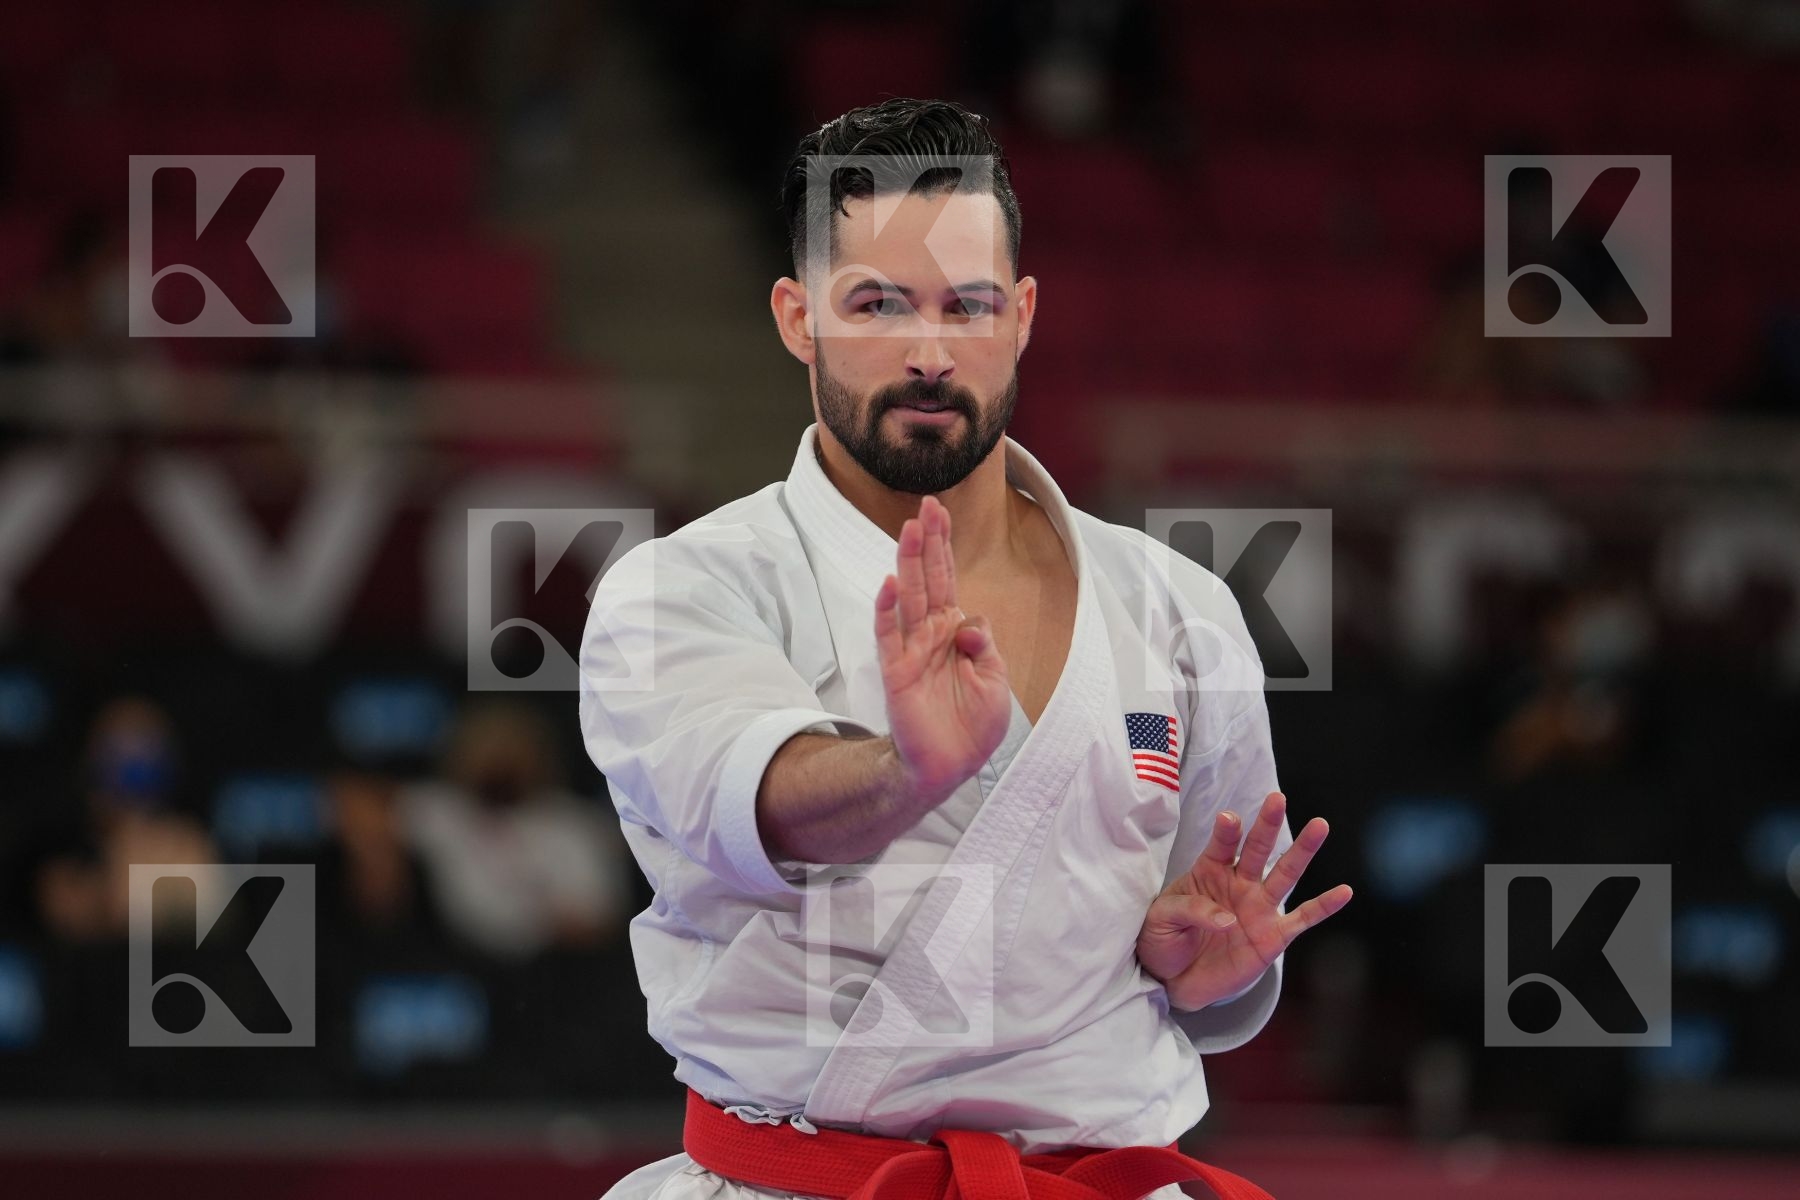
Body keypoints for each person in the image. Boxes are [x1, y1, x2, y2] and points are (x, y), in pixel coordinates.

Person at [579, 98, 1352, 1200]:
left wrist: (1197, 971)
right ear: (799, 318)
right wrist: (904, 772)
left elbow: (1205, 953)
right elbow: (754, 799)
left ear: (1024, 315)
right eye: (878, 305)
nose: (931, 352)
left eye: (969, 306)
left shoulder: (1176, 608)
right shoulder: (685, 590)